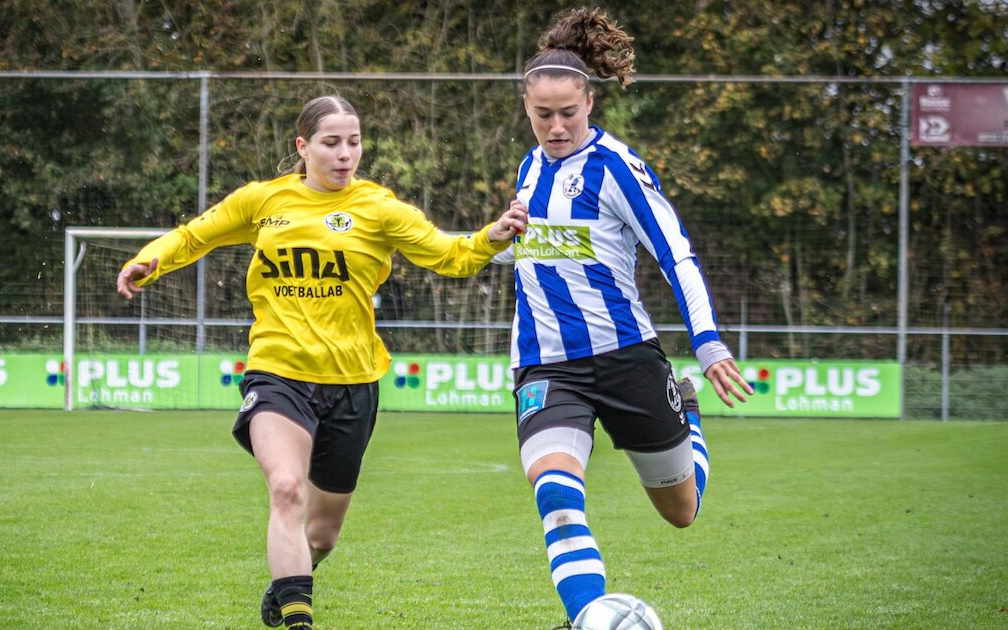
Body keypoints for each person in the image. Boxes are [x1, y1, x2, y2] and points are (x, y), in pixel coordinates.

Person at [115, 95, 527, 629]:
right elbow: (196, 235)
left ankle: (289, 583)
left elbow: (447, 255)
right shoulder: (263, 201)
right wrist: (147, 260)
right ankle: (299, 620)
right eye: (332, 143)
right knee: (285, 488)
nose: (345, 154)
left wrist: (489, 239)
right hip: (278, 371)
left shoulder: (380, 208)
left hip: (353, 384)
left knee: (322, 535)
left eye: (353, 142)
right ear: (303, 147)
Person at [501, 8, 754, 626]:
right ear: (527, 108)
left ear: (590, 100)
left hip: (625, 359)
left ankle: (687, 417)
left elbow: (677, 255)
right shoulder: (530, 168)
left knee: (681, 511)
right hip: (545, 366)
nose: (556, 127)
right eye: (543, 115)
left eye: (568, 113)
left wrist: (710, 343)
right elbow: (535, 248)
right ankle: (587, 618)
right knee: (556, 496)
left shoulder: (617, 168)